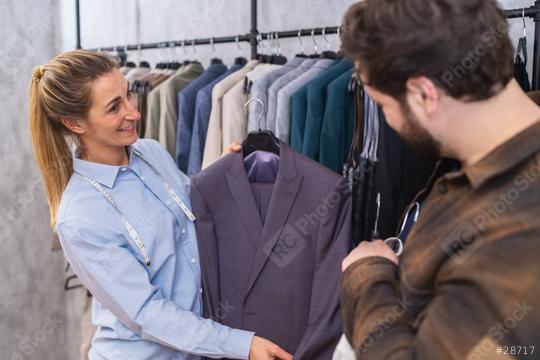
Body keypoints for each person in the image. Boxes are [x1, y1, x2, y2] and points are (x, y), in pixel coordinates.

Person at [28, 50, 292, 360]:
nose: (134, 113)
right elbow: (146, 312)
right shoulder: (80, 218)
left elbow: (190, 209)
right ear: (74, 123)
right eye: (115, 108)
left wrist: (223, 172)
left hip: (197, 347)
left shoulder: (150, 152)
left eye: (129, 96)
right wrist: (240, 344)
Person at [338, 0, 540, 359]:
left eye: (383, 105)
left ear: (423, 95)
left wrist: (366, 277)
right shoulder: (471, 159)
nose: (388, 122)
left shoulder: (516, 239)